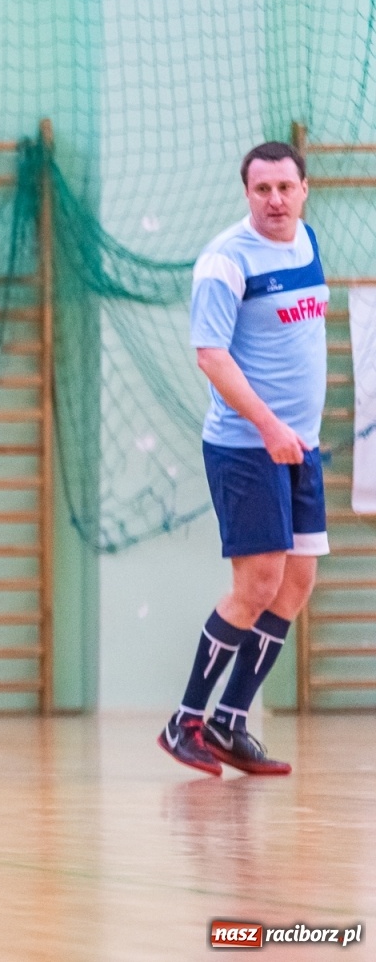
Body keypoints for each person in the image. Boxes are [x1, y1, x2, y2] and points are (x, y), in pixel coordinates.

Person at [159, 141, 327, 777]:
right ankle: (185, 720)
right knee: (256, 584)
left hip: (300, 446)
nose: (275, 200)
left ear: (304, 189)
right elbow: (211, 356)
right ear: (247, 193)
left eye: (285, 187)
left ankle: (229, 721)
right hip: (247, 446)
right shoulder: (225, 261)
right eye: (263, 190)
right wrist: (269, 426)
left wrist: (295, 433)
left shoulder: (307, 241)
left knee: (296, 583)